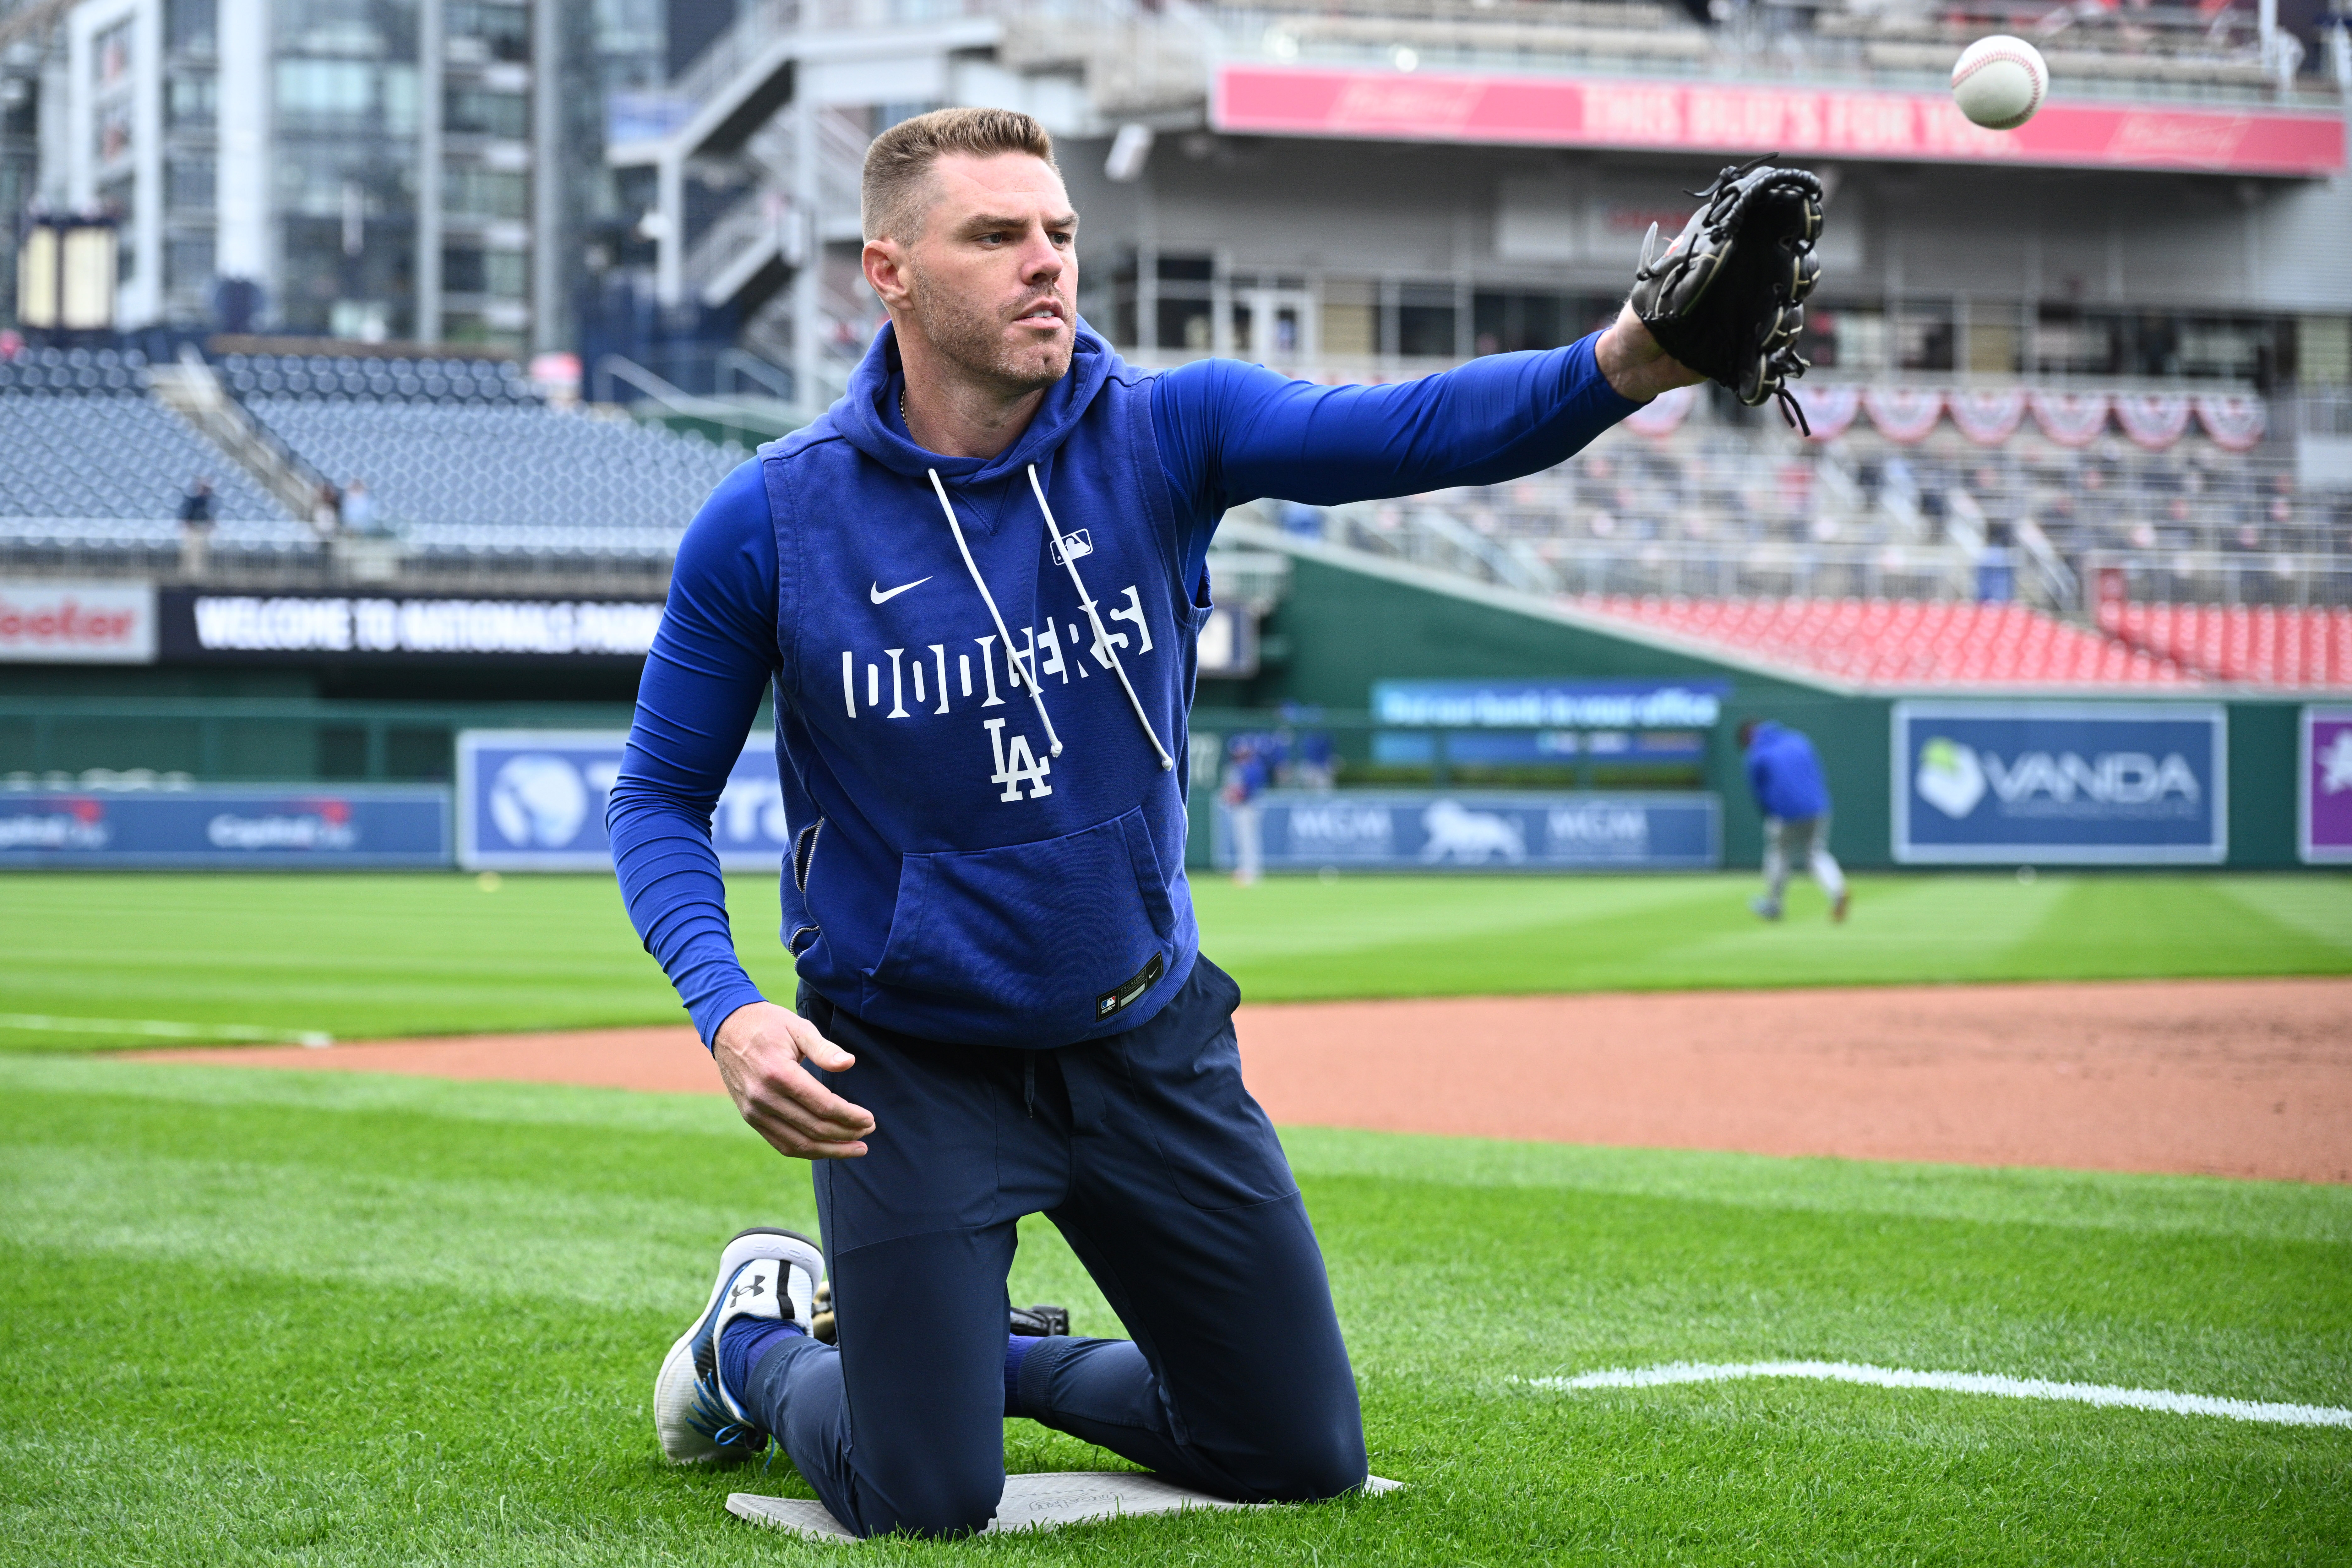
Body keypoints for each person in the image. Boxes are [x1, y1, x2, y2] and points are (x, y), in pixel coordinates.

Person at [606, 107, 1701, 1540]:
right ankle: (754, 1341)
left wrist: (1630, 358)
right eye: (993, 236)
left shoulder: (1165, 433)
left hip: (1144, 1037)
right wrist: (729, 1010)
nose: (1043, 264)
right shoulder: (771, 521)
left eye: (1058, 232)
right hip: (914, 1061)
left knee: (1288, 1449)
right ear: (886, 270)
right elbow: (656, 798)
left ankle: (991, 1359)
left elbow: (1419, 427)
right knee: (921, 1493)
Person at [1739, 717, 1848, 923]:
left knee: (1779, 856)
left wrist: (1771, 813)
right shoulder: (1799, 740)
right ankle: (1838, 891)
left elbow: (1759, 793)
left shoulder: (1757, 754)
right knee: (1816, 854)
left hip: (1785, 813)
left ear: (1748, 737)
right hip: (1818, 807)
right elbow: (1817, 774)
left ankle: (1774, 905)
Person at [176, 476, 214, 577]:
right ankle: (189, 576)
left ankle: (201, 575)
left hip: (204, 531)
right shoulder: (193, 501)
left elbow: (211, 519)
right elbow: (186, 518)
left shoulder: (210, 502)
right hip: (193, 531)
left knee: (203, 553)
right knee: (191, 552)